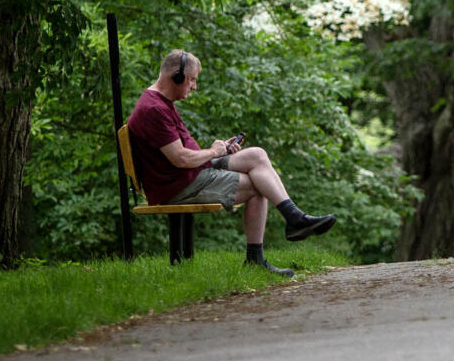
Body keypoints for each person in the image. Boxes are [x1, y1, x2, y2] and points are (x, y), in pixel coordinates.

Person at [125, 48, 336, 276]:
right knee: (258, 185)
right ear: (176, 76)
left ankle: (294, 217)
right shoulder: (155, 109)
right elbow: (181, 158)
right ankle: (261, 253)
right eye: (192, 80)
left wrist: (218, 151)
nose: (194, 86)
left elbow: (183, 154)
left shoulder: (160, 102)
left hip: (190, 173)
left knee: (256, 155)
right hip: (178, 184)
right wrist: (212, 151)